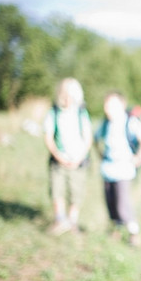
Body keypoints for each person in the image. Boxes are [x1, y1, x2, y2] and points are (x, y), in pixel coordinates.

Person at [94, 92, 141, 247]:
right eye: (106, 104)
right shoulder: (105, 123)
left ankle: (134, 233)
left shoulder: (130, 122)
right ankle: (116, 229)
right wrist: (100, 154)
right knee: (110, 201)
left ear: (121, 105)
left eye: (111, 104)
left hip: (123, 170)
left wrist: (138, 158)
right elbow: (95, 138)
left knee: (122, 204)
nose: (107, 108)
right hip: (108, 168)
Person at [44, 77, 92, 235]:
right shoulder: (53, 113)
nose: (66, 98)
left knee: (76, 192)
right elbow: (49, 137)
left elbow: (88, 138)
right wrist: (59, 157)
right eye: (63, 94)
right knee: (57, 190)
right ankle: (60, 220)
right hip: (58, 161)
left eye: (70, 95)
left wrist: (79, 158)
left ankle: (72, 223)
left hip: (79, 161)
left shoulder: (81, 113)